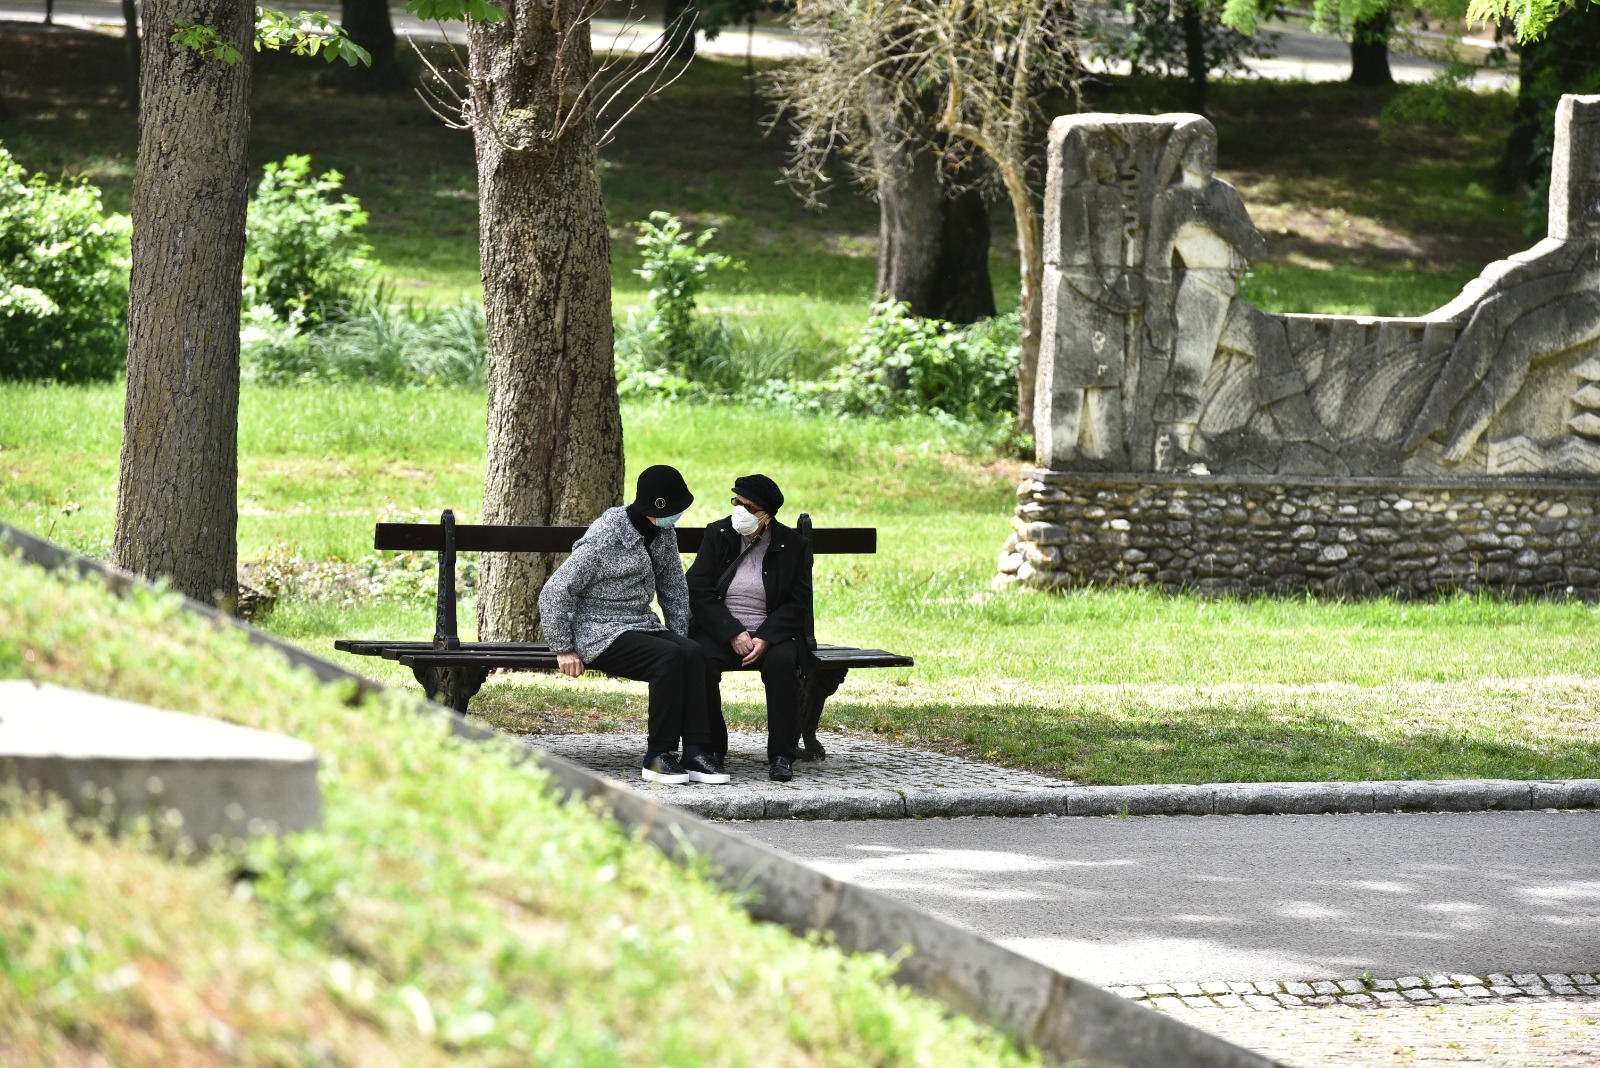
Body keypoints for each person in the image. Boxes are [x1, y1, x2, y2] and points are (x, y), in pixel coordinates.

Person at [538, 464, 729, 786]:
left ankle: (696, 752)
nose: (677, 515)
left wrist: (679, 636)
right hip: (597, 629)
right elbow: (555, 591)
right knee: (668, 658)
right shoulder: (605, 537)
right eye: (674, 509)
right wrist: (563, 648)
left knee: (693, 653)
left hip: (640, 623)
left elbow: (673, 587)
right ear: (656, 507)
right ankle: (658, 756)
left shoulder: (663, 532)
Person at [685, 473, 814, 783]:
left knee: (782, 664)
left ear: (767, 515)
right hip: (722, 629)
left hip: (771, 633)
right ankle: (711, 749)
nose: (739, 511)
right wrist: (732, 632)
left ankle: (782, 754)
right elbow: (698, 588)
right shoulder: (718, 533)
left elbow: (798, 602)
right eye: (736, 502)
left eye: (750, 507)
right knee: (699, 659)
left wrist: (766, 637)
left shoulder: (793, 544)